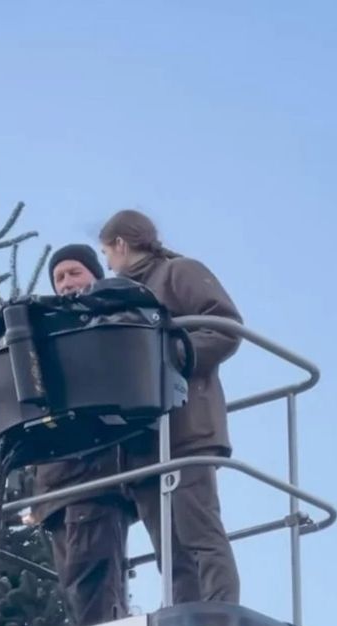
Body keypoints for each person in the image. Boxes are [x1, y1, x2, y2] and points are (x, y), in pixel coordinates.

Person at [98, 210, 241, 605]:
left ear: (121, 246)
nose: (107, 264)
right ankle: (183, 616)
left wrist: (176, 353)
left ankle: (218, 614)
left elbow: (226, 326)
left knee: (199, 532)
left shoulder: (180, 272)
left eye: (107, 253)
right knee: (168, 547)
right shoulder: (118, 296)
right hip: (142, 440)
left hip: (186, 430)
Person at [31, 244, 139, 626]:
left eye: (74, 273)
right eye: (59, 277)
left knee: (90, 572)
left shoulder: (113, 318)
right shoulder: (43, 331)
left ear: (96, 275)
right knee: (76, 578)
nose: (66, 284)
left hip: (94, 478)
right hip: (56, 486)